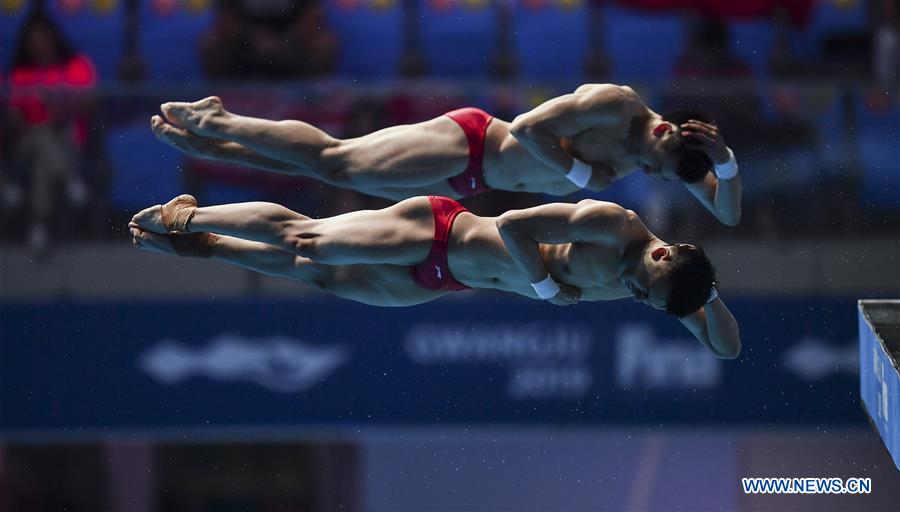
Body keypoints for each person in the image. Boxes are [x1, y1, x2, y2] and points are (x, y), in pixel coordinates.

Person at [129, 194, 741, 359]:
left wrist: (707, 291)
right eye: (641, 289)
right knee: (309, 240)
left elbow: (727, 348)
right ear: (660, 256)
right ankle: (191, 215)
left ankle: (208, 247)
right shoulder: (614, 227)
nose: (633, 297)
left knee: (317, 278)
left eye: (645, 300)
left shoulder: (663, 285)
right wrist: (549, 286)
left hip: (447, 279)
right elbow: (514, 226)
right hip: (442, 231)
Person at [150, 83, 742, 225]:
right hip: (473, 141)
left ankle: (210, 143)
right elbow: (532, 128)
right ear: (668, 134)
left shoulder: (659, 156)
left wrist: (728, 163)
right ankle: (220, 118)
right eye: (655, 165)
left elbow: (727, 213)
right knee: (337, 159)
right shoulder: (615, 107)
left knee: (324, 167)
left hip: (466, 179)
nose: (644, 172)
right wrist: (582, 170)